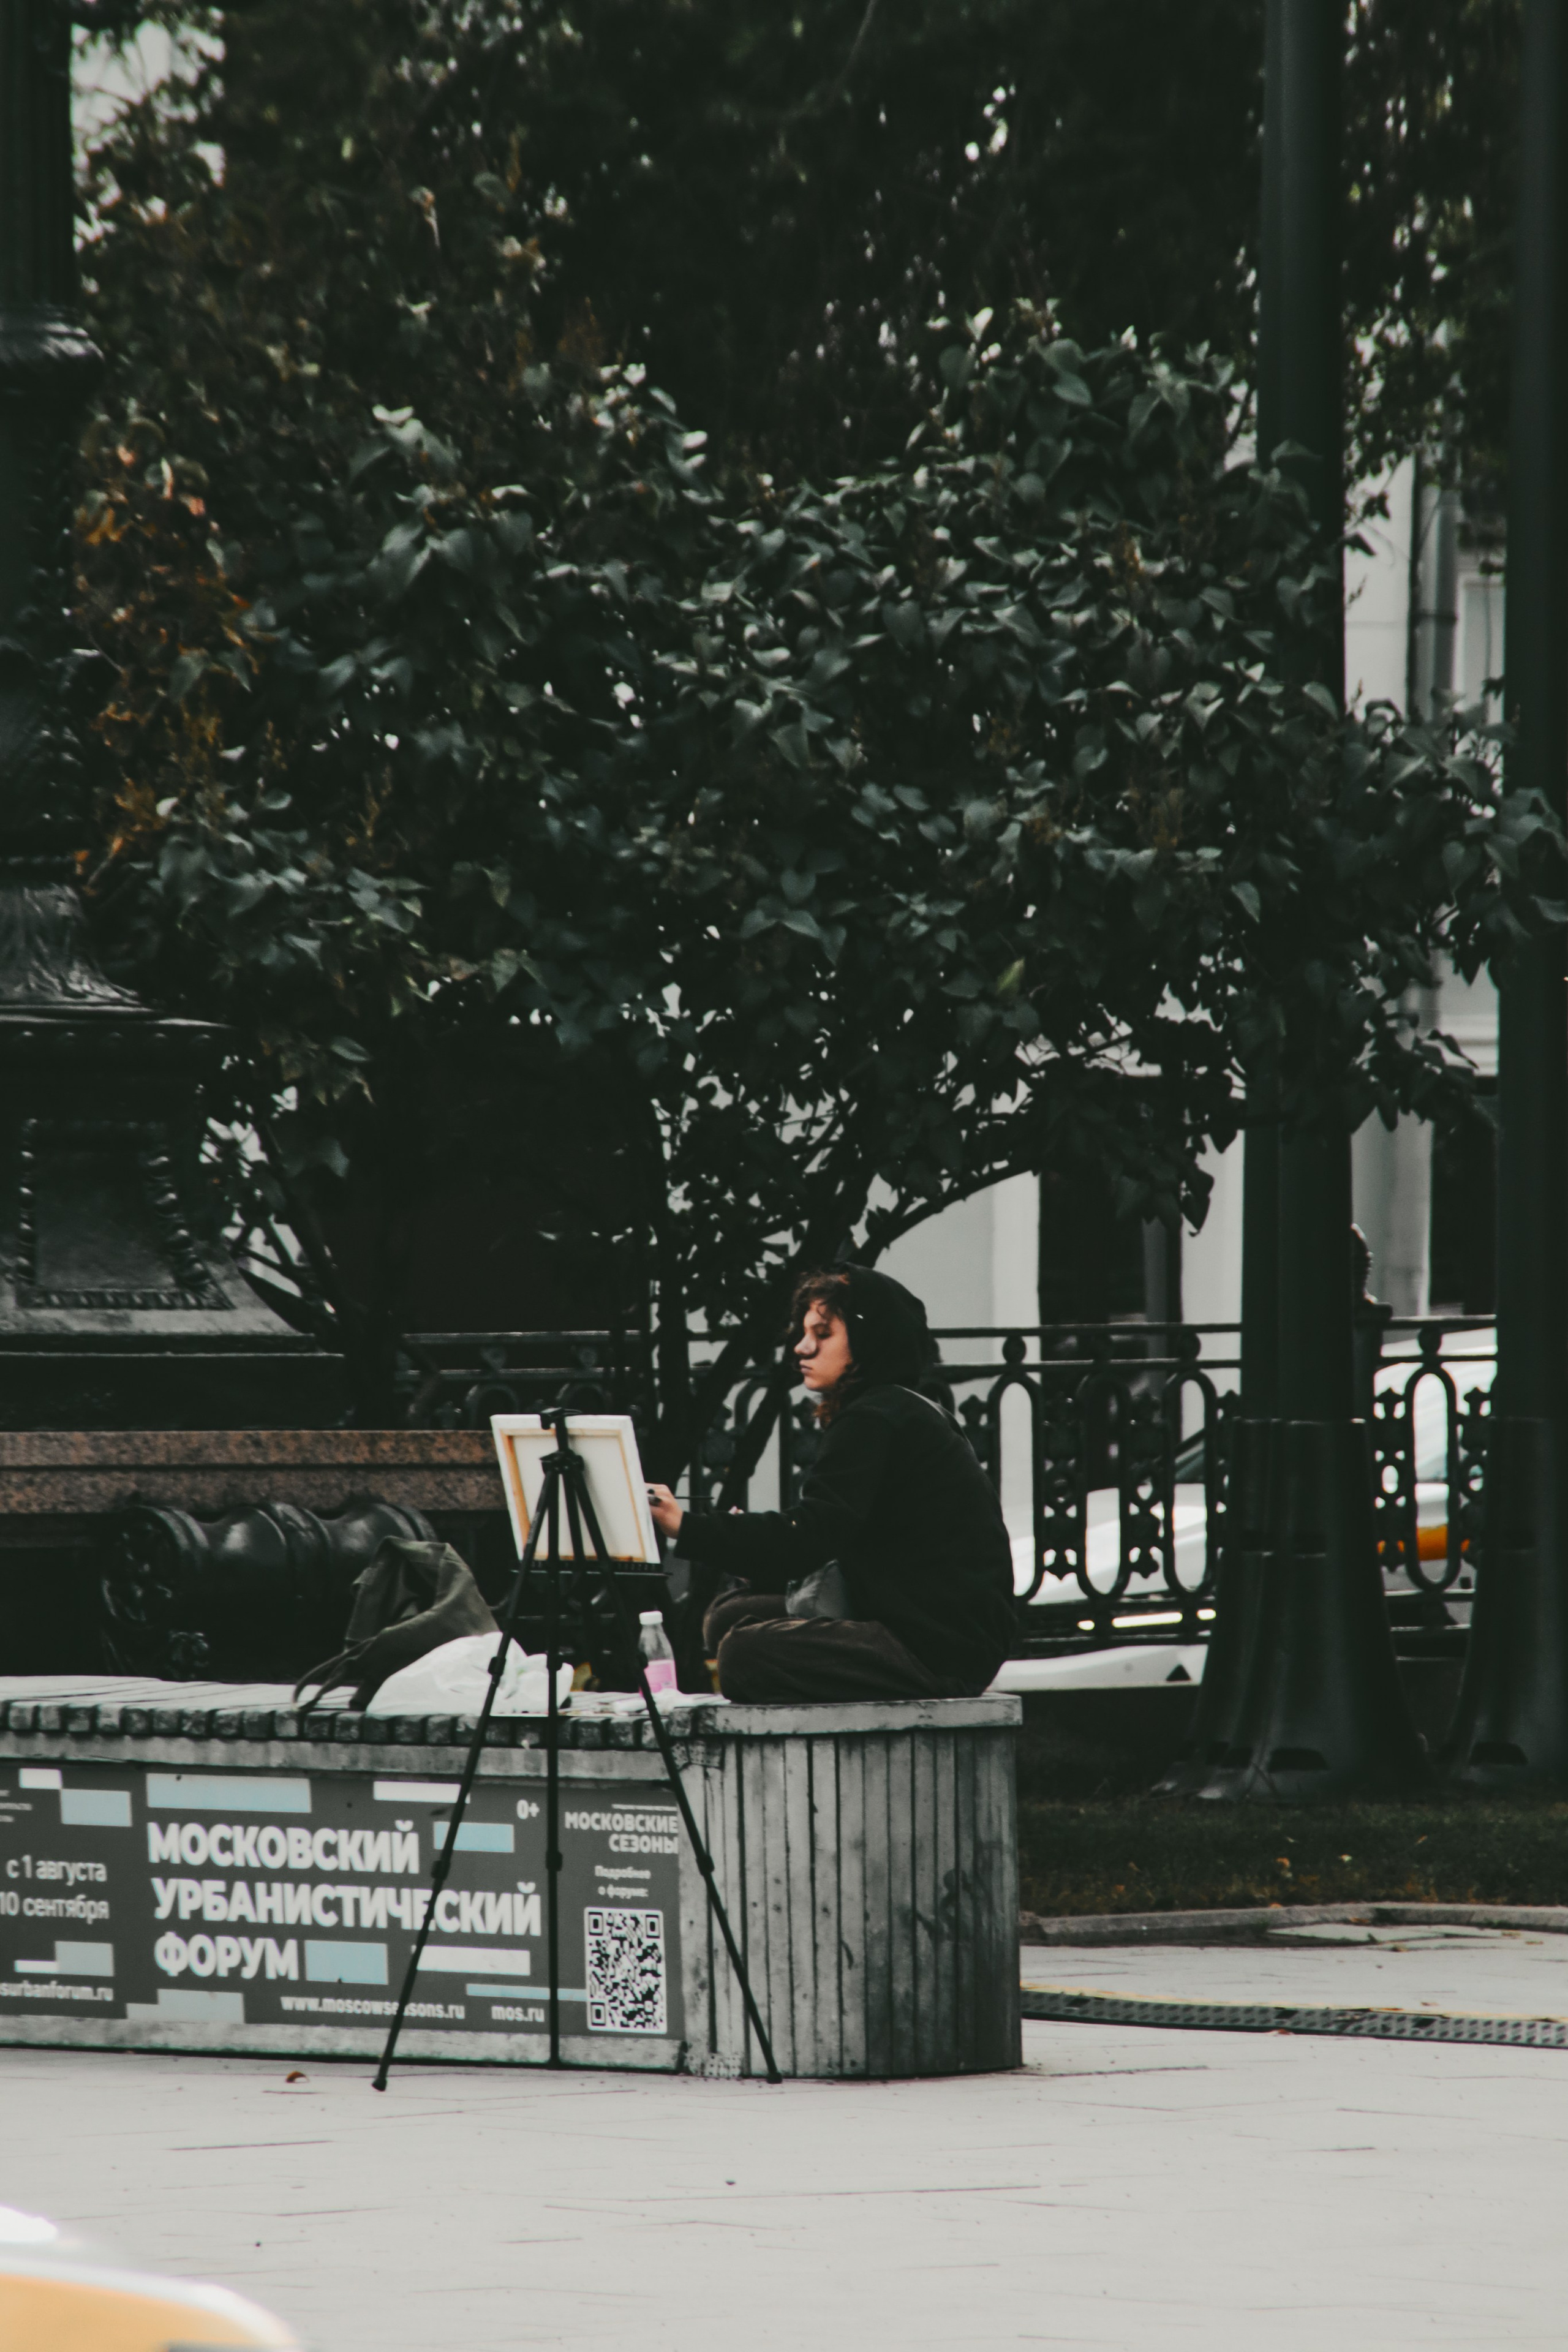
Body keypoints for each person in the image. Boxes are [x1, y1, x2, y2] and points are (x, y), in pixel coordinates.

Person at [647, 1265, 1017, 1702]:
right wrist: (749, 1545)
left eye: (822, 1334)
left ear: (867, 1341)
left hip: (933, 1648)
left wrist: (685, 1526)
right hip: (918, 1619)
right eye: (804, 1332)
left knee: (744, 1654)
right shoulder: (895, 1410)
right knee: (727, 1617)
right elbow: (834, 1536)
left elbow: (811, 1536)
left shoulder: (873, 1419)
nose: (802, 1348)